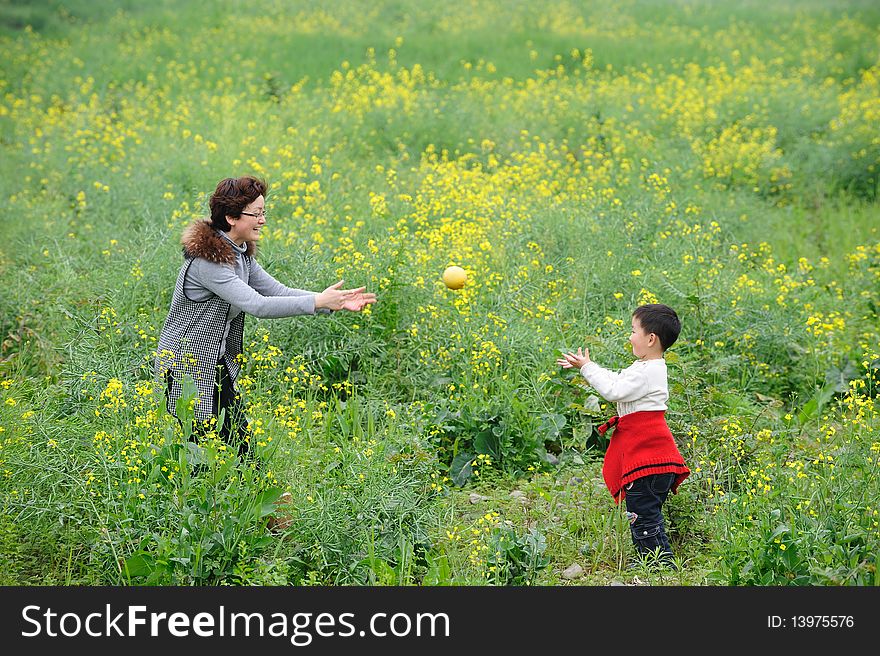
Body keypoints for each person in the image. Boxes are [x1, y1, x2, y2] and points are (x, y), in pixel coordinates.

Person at [155, 175, 376, 460]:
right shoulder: (208, 262)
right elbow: (257, 305)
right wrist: (318, 301)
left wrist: (331, 302)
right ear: (232, 217)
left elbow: (276, 290)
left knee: (239, 441)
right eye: (256, 214)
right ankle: (200, 500)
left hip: (213, 360)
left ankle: (253, 496)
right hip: (186, 365)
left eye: (263, 213)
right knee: (196, 449)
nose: (263, 220)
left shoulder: (240, 255)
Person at [557, 303, 689, 565]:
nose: (630, 336)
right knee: (646, 514)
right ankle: (657, 562)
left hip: (648, 460)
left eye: (633, 330)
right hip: (651, 456)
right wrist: (587, 366)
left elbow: (613, 391)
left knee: (643, 516)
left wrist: (587, 368)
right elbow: (617, 382)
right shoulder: (644, 367)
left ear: (650, 339)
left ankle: (658, 565)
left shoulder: (650, 370)